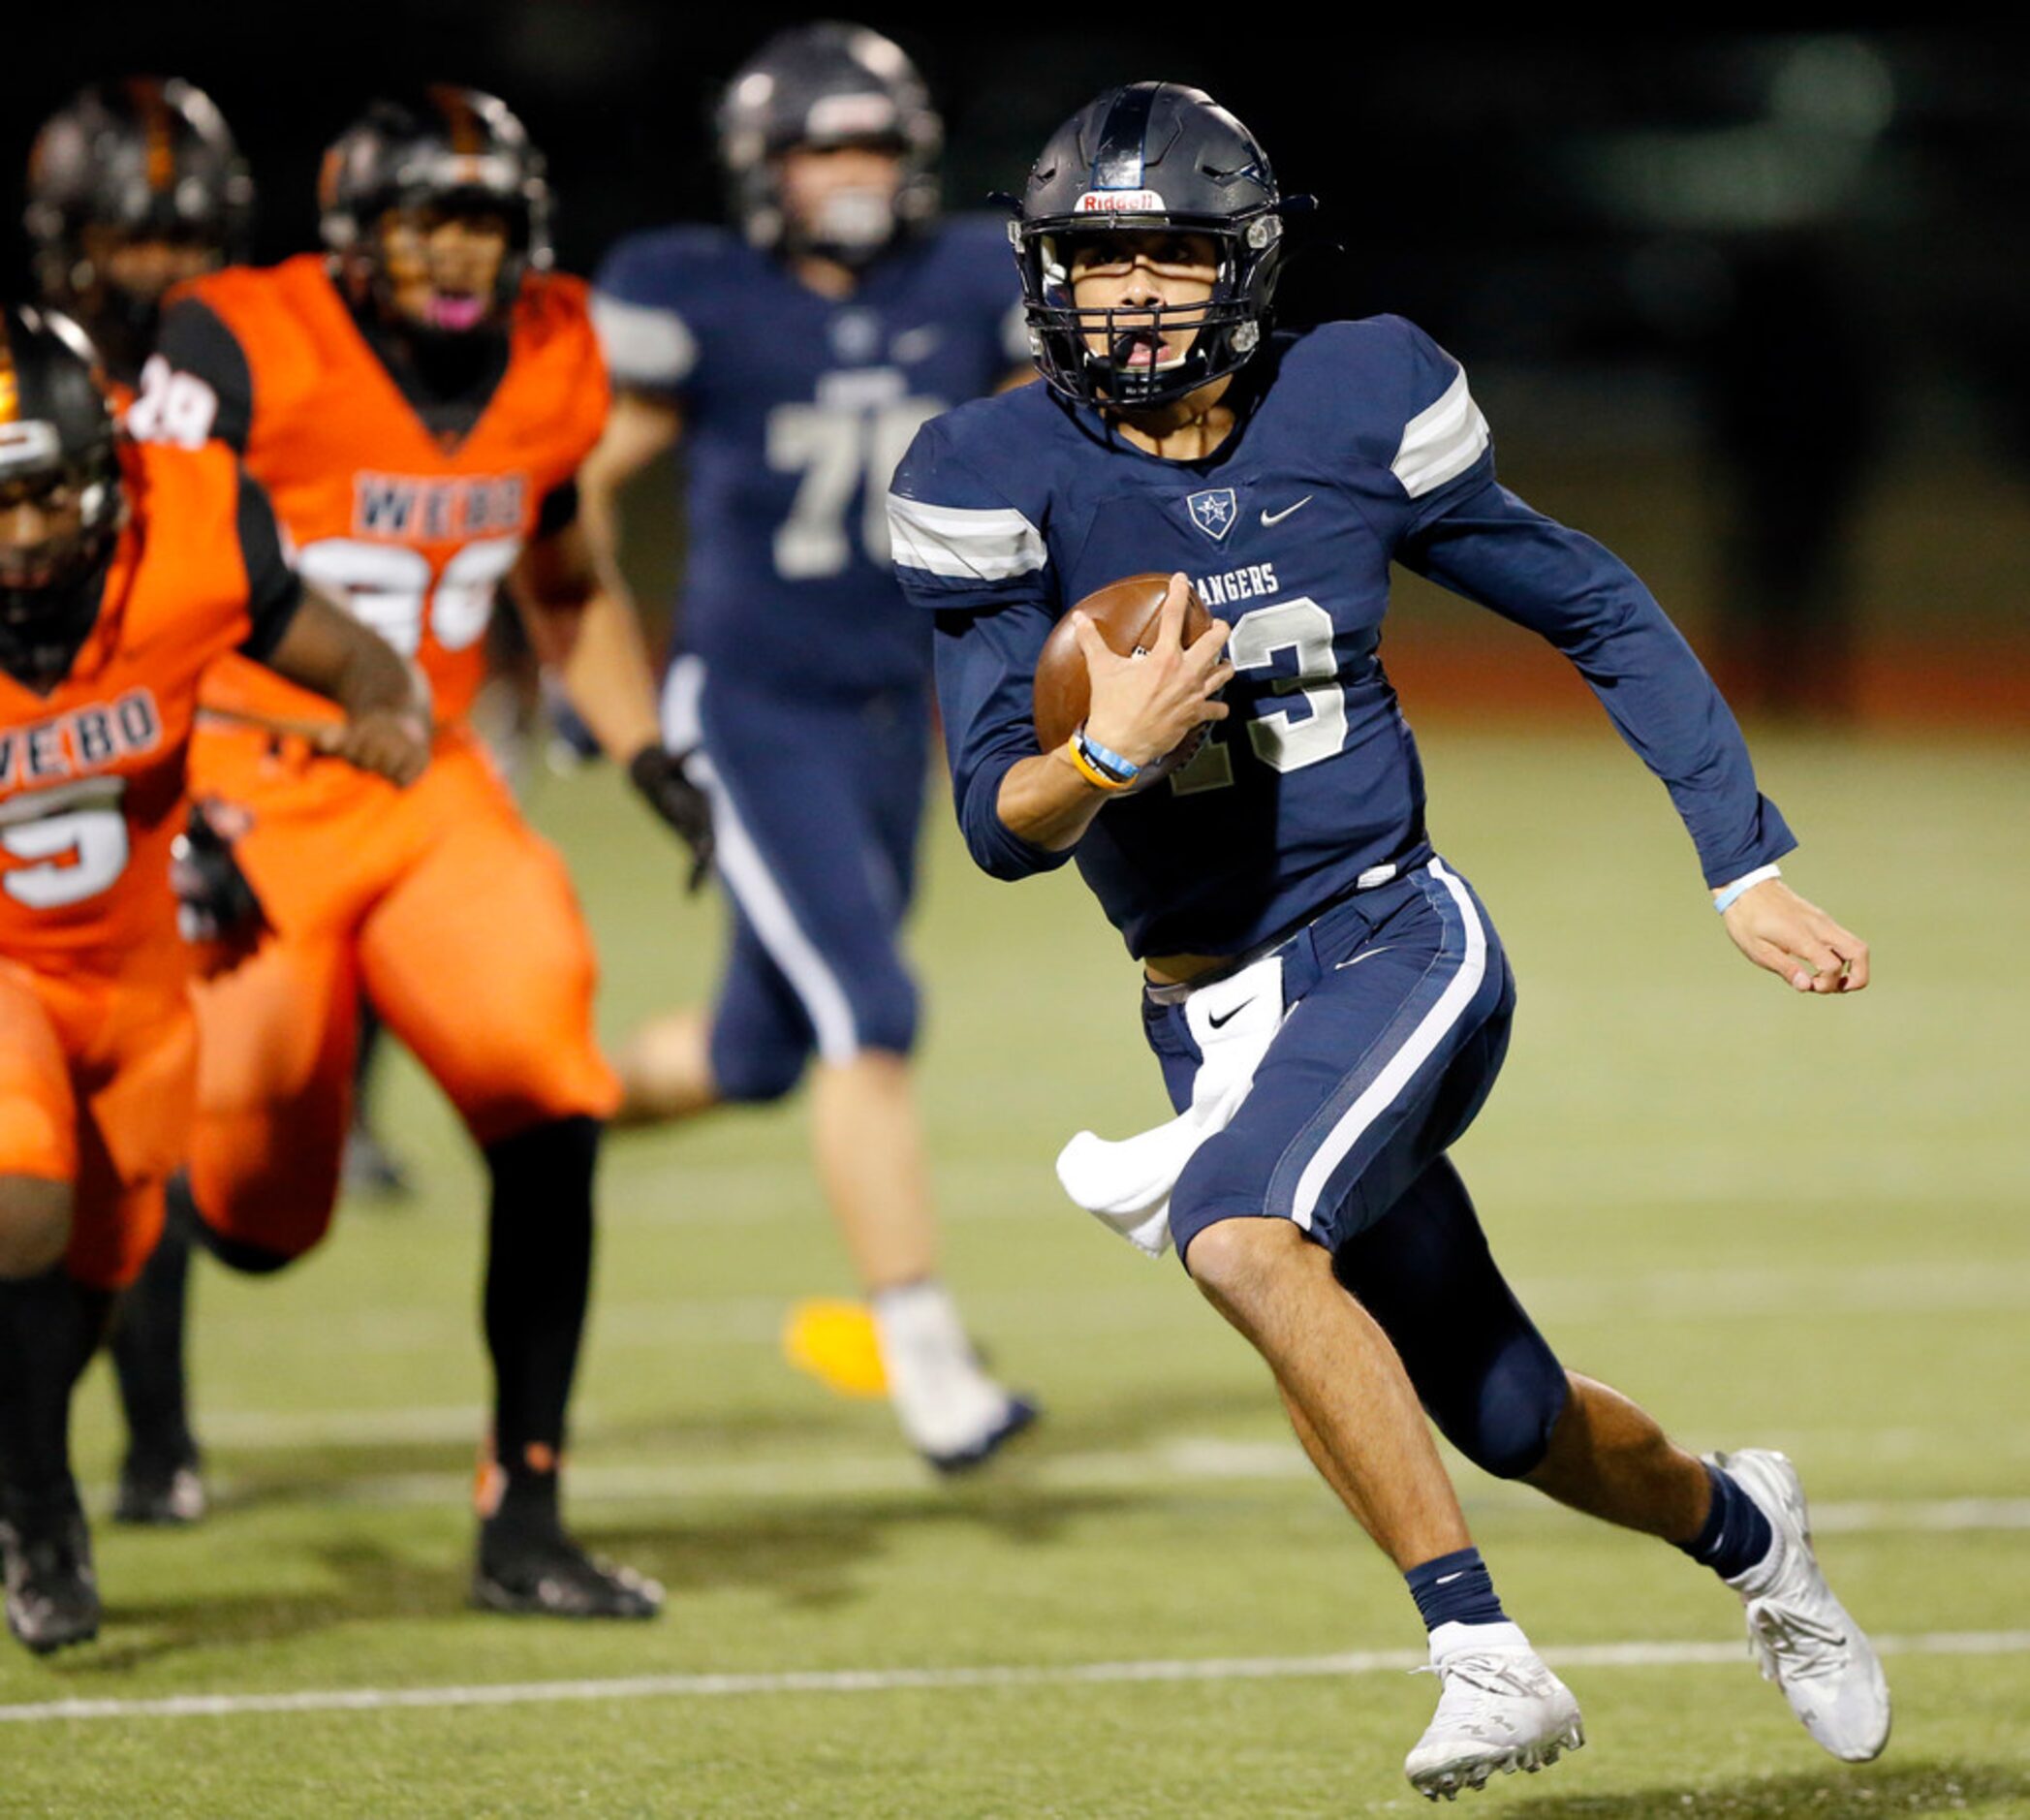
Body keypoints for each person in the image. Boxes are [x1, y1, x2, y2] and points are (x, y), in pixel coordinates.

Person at [887, 82, 1888, 1801]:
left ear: (1245, 265)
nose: (1130, 293)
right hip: (1199, 1008)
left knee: (1241, 1232)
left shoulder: (1355, 401)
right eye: (1097, 259)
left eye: (1170, 254)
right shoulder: (989, 473)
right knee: (1511, 1418)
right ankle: (1750, 1527)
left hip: (1393, 939)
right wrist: (1104, 758)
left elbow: (1594, 600)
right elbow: (997, 825)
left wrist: (1742, 864)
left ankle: (1478, 1652)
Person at [122, 87, 705, 1618]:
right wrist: (169, 804)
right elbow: (137, 585)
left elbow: (564, 582)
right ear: (353, 235)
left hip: (430, 783)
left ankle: (528, 1510)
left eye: (486, 223)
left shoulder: (557, 351)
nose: (457, 254)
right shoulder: (236, 339)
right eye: (422, 222)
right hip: (252, 783)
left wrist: (646, 752)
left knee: (547, 1076)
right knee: (260, 1217)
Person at [583, 23, 1034, 1468]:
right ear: (764, 166)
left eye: (874, 145)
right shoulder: (693, 292)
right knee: (872, 1014)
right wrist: (597, 684)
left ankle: (528, 1100)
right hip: (754, 706)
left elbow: (1061, 456)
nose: (852, 173)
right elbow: (565, 492)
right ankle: (931, 1365)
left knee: (754, 1051)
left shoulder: (970, 279)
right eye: (823, 145)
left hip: (895, 714)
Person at [0, 303, 427, 1653]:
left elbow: (358, 656)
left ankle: (31, 1468)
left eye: (48, 495)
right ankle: (44, 1512)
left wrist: (385, 710)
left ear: (109, 474)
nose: (23, 536)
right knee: (17, 1203)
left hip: (132, 982)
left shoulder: (188, 533)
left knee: (97, 1271)